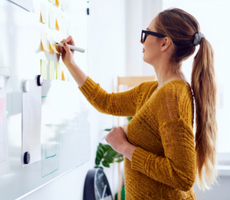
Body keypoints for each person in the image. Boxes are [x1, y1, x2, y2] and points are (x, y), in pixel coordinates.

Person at [58, 7, 217, 200]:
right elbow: (107, 102)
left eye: (147, 33)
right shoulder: (153, 90)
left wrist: (125, 148)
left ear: (164, 43)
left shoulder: (172, 95)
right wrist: (71, 64)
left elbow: (182, 176)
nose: (142, 40)